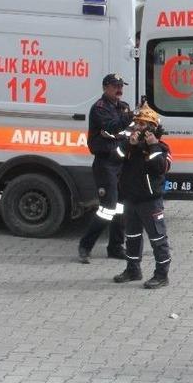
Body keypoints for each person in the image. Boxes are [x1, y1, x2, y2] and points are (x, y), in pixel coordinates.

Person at [111, 103, 172, 289]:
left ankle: (161, 275)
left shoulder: (161, 147)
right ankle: (133, 270)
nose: (137, 127)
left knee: (157, 239)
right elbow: (114, 158)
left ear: (151, 128)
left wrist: (152, 147)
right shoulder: (130, 145)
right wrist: (129, 146)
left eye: (142, 124)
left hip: (150, 202)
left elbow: (162, 167)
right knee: (132, 236)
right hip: (131, 199)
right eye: (136, 123)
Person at [78, 74, 133, 263]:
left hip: (122, 163)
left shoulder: (123, 107)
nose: (119, 89)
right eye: (115, 86)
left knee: (120, 208)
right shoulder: (99, 109)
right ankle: (85, 246)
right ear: (105, 88)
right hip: (105, 164)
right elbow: (112, 127)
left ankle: (116, 247)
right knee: (108, 208)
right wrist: (128, 118)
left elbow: (129, 131)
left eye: (121, 86)